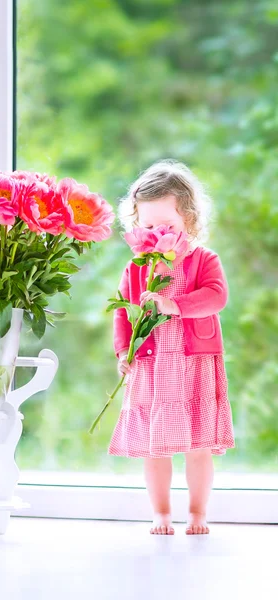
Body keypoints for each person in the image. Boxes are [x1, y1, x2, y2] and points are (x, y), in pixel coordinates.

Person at [109, 160, 235, 535]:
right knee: (155, 446)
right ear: (136, 227)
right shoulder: (136, 268)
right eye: (149, 227)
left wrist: (175, 305)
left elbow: (217, 296)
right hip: (151, 366)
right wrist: (123, 353)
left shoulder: (203, 260)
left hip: (193, 365)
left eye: (169, 227)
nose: (159, 235)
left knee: (198, 446)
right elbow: (123, 313)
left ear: (190, 222)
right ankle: (161, 512)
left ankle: (197, 512)